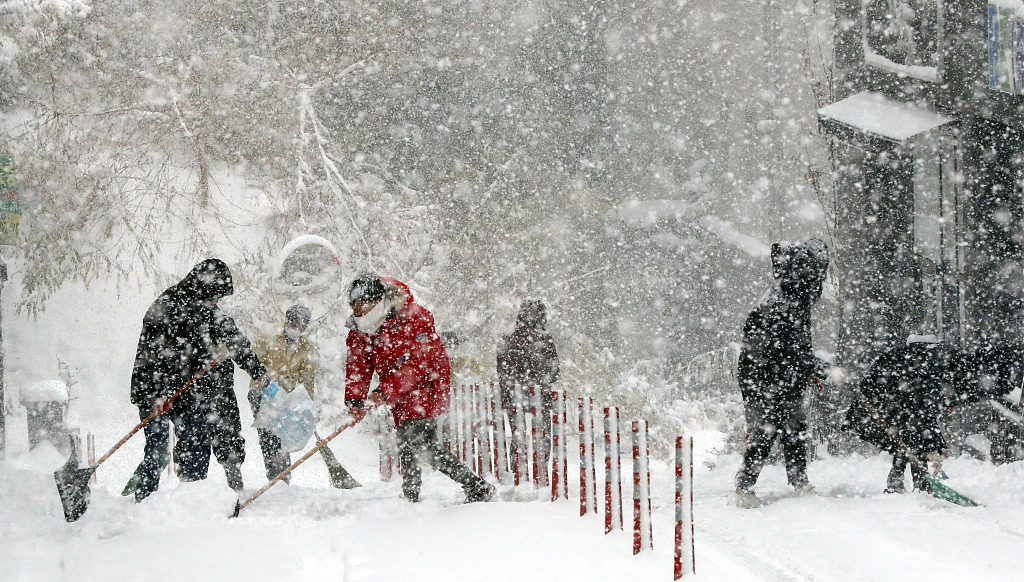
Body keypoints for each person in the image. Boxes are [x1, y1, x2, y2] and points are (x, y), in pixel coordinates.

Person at [343, 274, 494, 503]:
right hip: (395, 389)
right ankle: (414, 495)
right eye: (353, 306)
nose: (358, 312)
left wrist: (383, 391)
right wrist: (355, 401)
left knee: (416, 440)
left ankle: (474, 487)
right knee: (409, 440)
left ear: (377, 301)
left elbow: (418, 363)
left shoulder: (412, 317)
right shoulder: (359, 328)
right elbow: (358, 365)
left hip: (426, 383)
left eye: (362, 306)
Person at [129, 259, 267, 502]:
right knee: (158, 450)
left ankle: (190, 498)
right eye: (216, 296)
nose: (217, 302)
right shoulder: (167, 306)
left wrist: (258, 372)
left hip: (185, 393)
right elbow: (154, 354)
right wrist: (158, 393)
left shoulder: (207, 310)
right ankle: (143, 501)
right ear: (206, 287)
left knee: (197, 441)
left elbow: (234, 340)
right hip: (154, 390)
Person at [733, 239, 832, 508]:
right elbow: (785, 350)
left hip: (778, 377)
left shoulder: (792, 301)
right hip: (764, 379)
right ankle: (744, 486)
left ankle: (798, 481)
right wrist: (813, 367)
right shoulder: (781, 305)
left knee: (793, 427)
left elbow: (793, 349)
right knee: (766, 429)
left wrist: (806, 369)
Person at [844, 338, 965, 493]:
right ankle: (918, 484)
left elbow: (869, 383)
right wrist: (948, 401)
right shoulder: (925, 360)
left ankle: (901, 483)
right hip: (910, 411)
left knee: (906, 446)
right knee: (914, 445)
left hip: (897, 411)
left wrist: (876, 398)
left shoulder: (896, 357)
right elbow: (937, 385)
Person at [249, 305, 318, 481]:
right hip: (262, 394)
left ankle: (283, 477)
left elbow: (308, 380)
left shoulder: (306, 347)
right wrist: (268, 377)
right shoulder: (268, 334)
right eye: (294, 324)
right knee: (268, 437)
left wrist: (308, 406)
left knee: (284, 436)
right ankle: (274, 478)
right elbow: (252, 362)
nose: (297, 329)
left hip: (286, 399)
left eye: (301, 327)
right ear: (287, 321)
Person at [497, 299, 560, 461]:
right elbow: (554, 370)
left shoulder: (507, 337)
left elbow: (501, 368)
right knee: (543, 435)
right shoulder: (544, 339)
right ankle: (542, 467)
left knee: (518, 435)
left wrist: (514, 383)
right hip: (539, 394)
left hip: (513, 395)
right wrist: (540, 380)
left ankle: (518, 468)